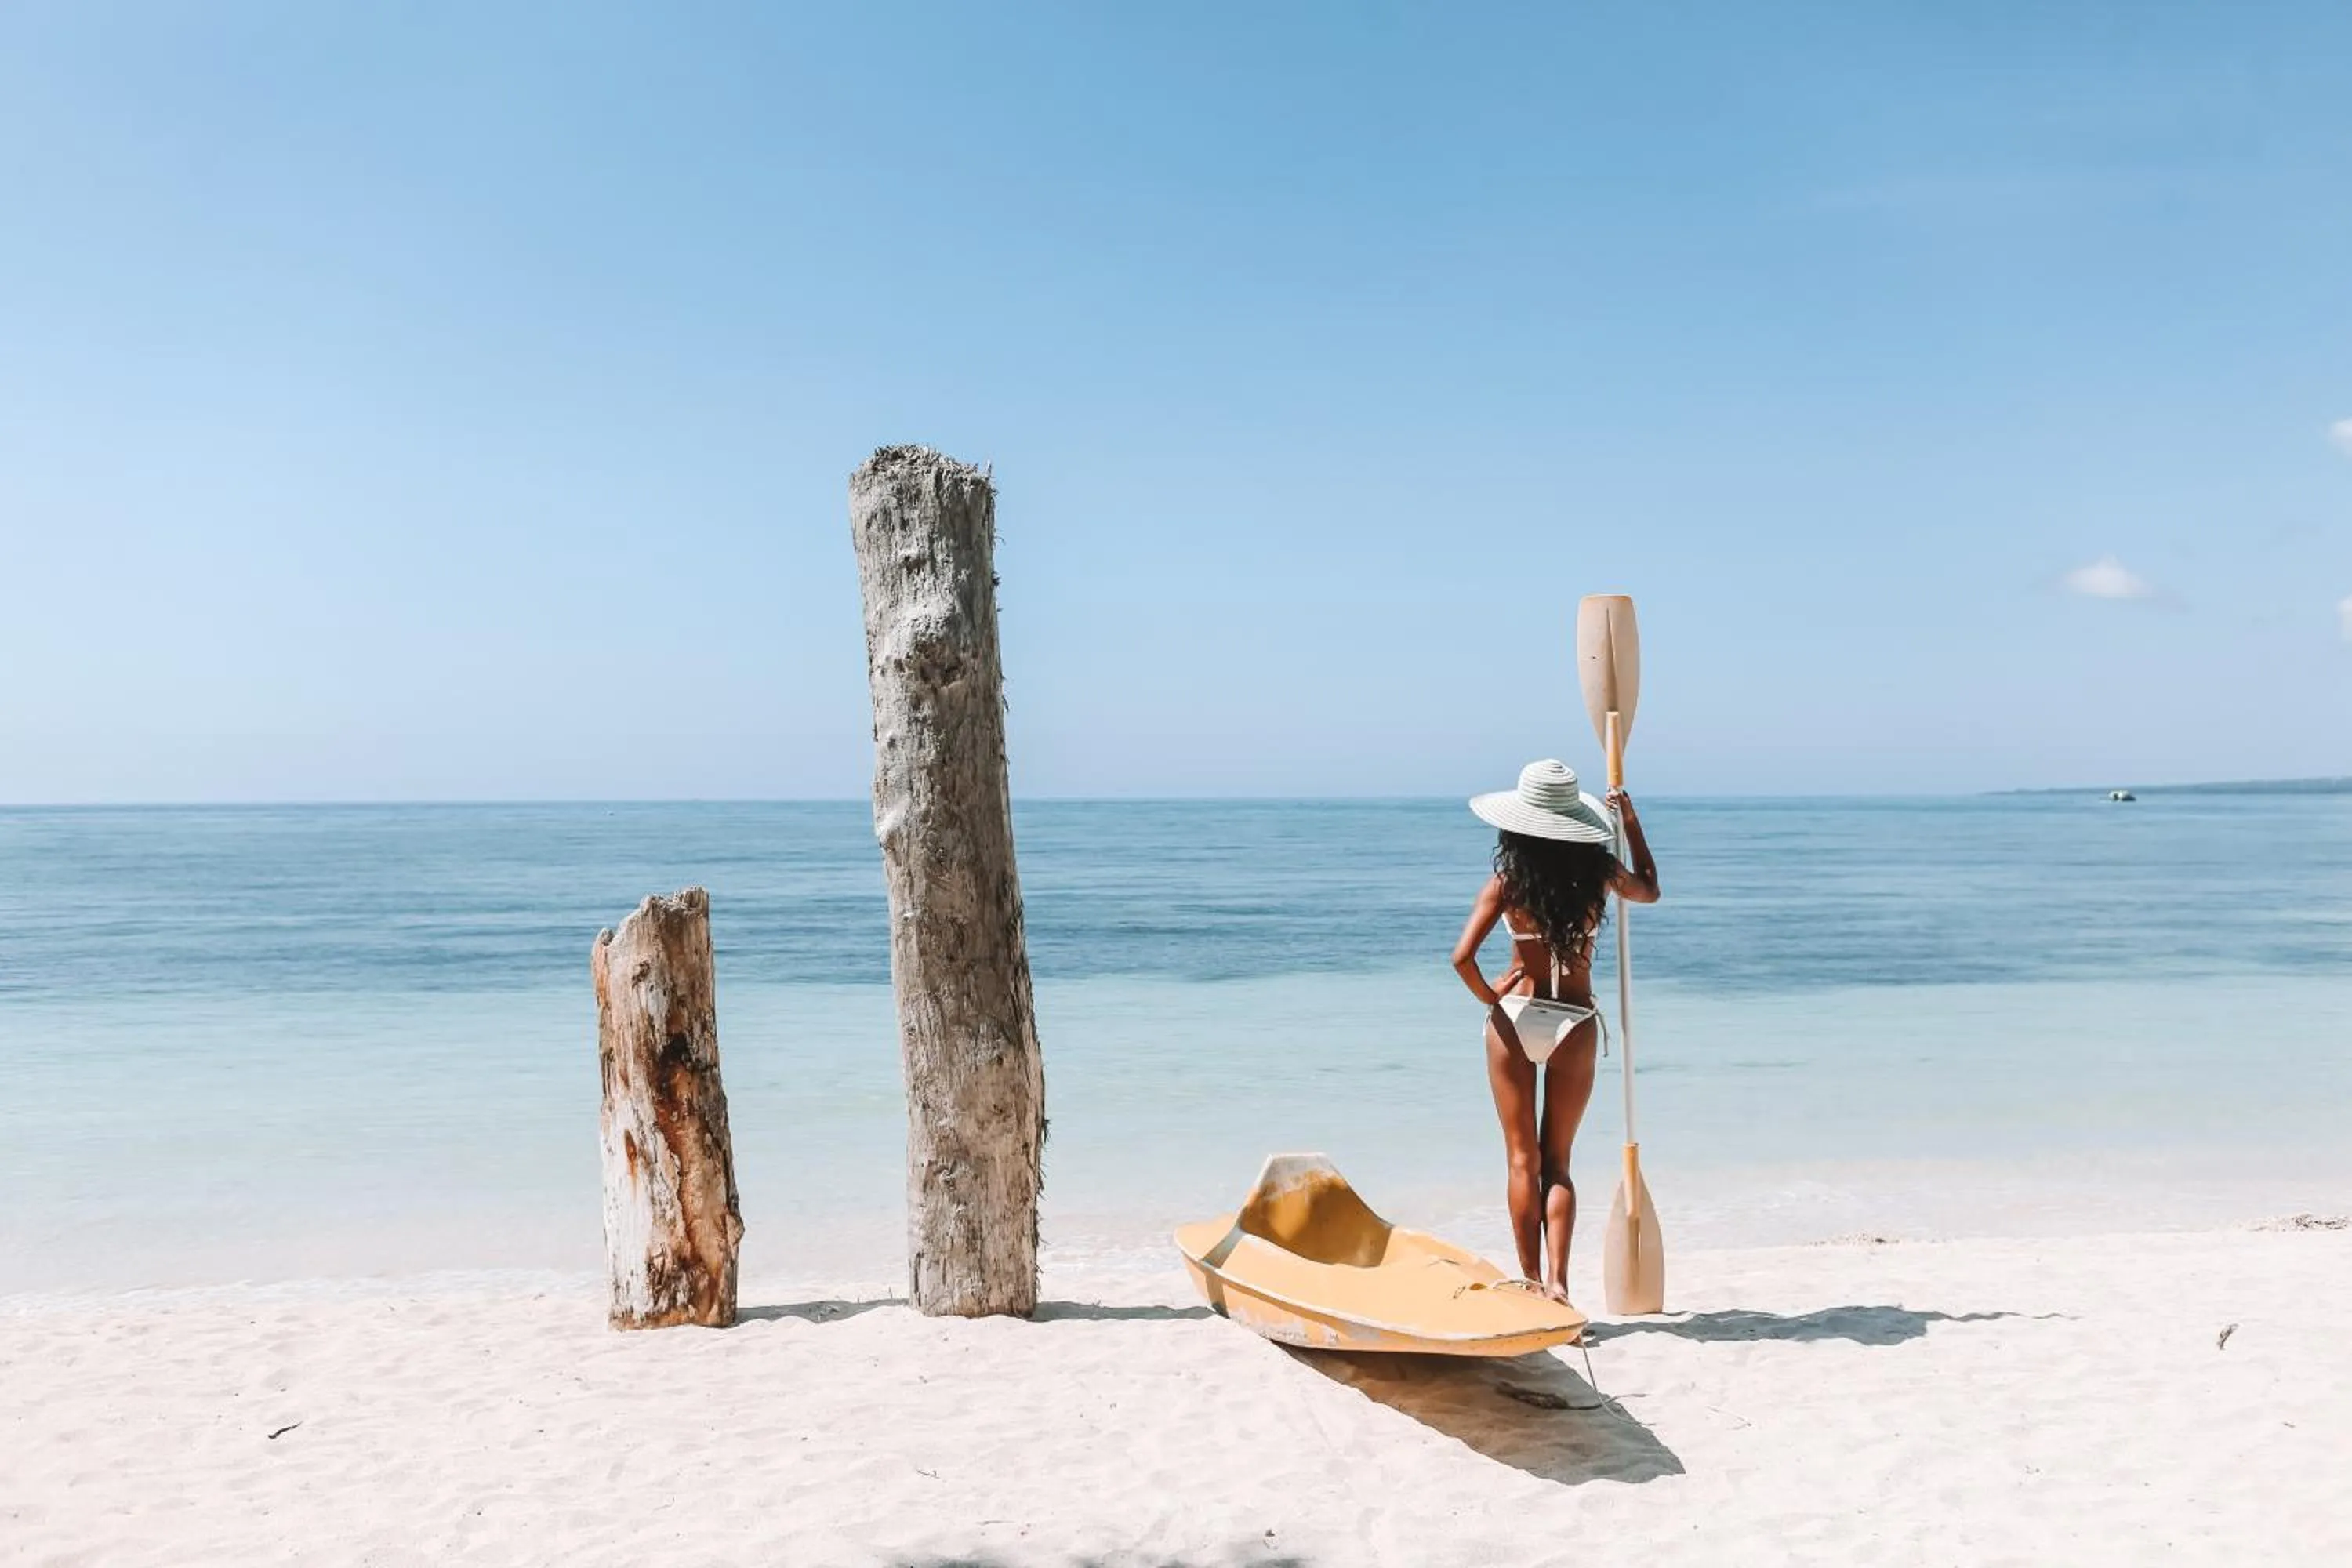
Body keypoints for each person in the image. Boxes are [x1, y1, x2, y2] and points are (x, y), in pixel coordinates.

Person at [1450, 759, 1658, 1305]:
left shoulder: (1508, 882)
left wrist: (1491, 996)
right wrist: (1630, 822)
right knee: (1558, 1162)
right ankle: (1560, 1283)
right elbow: (1651, 890)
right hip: (1575, 1021)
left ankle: (1528, 1282)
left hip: (1516, 1018)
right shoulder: (1600, 874)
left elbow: (1461, 959)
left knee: (1523, 1160)